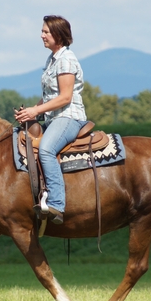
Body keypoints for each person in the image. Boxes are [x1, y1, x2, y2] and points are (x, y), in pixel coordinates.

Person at [14, 15, 87, 224]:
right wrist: (30, 111)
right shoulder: (52, 59)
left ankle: (56, 204)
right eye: (43, 31)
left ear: (58, 35)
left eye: (46, 32)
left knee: (46, 149)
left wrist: (35, 112)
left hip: (68, 118)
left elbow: (65, 97)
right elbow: (49, 96)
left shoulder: (65, 59)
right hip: (54, 118)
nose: (42, 35)